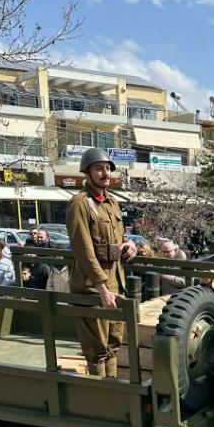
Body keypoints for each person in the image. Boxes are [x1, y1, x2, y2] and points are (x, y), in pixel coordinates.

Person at [66, 147, 136, 377]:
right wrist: (101, 286)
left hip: (115, 282)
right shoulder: (80, 203)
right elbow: (83, 249)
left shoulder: (111, 202)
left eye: (108, 168)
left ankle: (112, 387)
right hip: (92, 287)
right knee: (97, 349)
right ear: (87, 172)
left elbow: (117, 237)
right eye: (99, 168)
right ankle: (101, 392)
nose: (105, 173)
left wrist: (129, 244)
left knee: (113, 344)